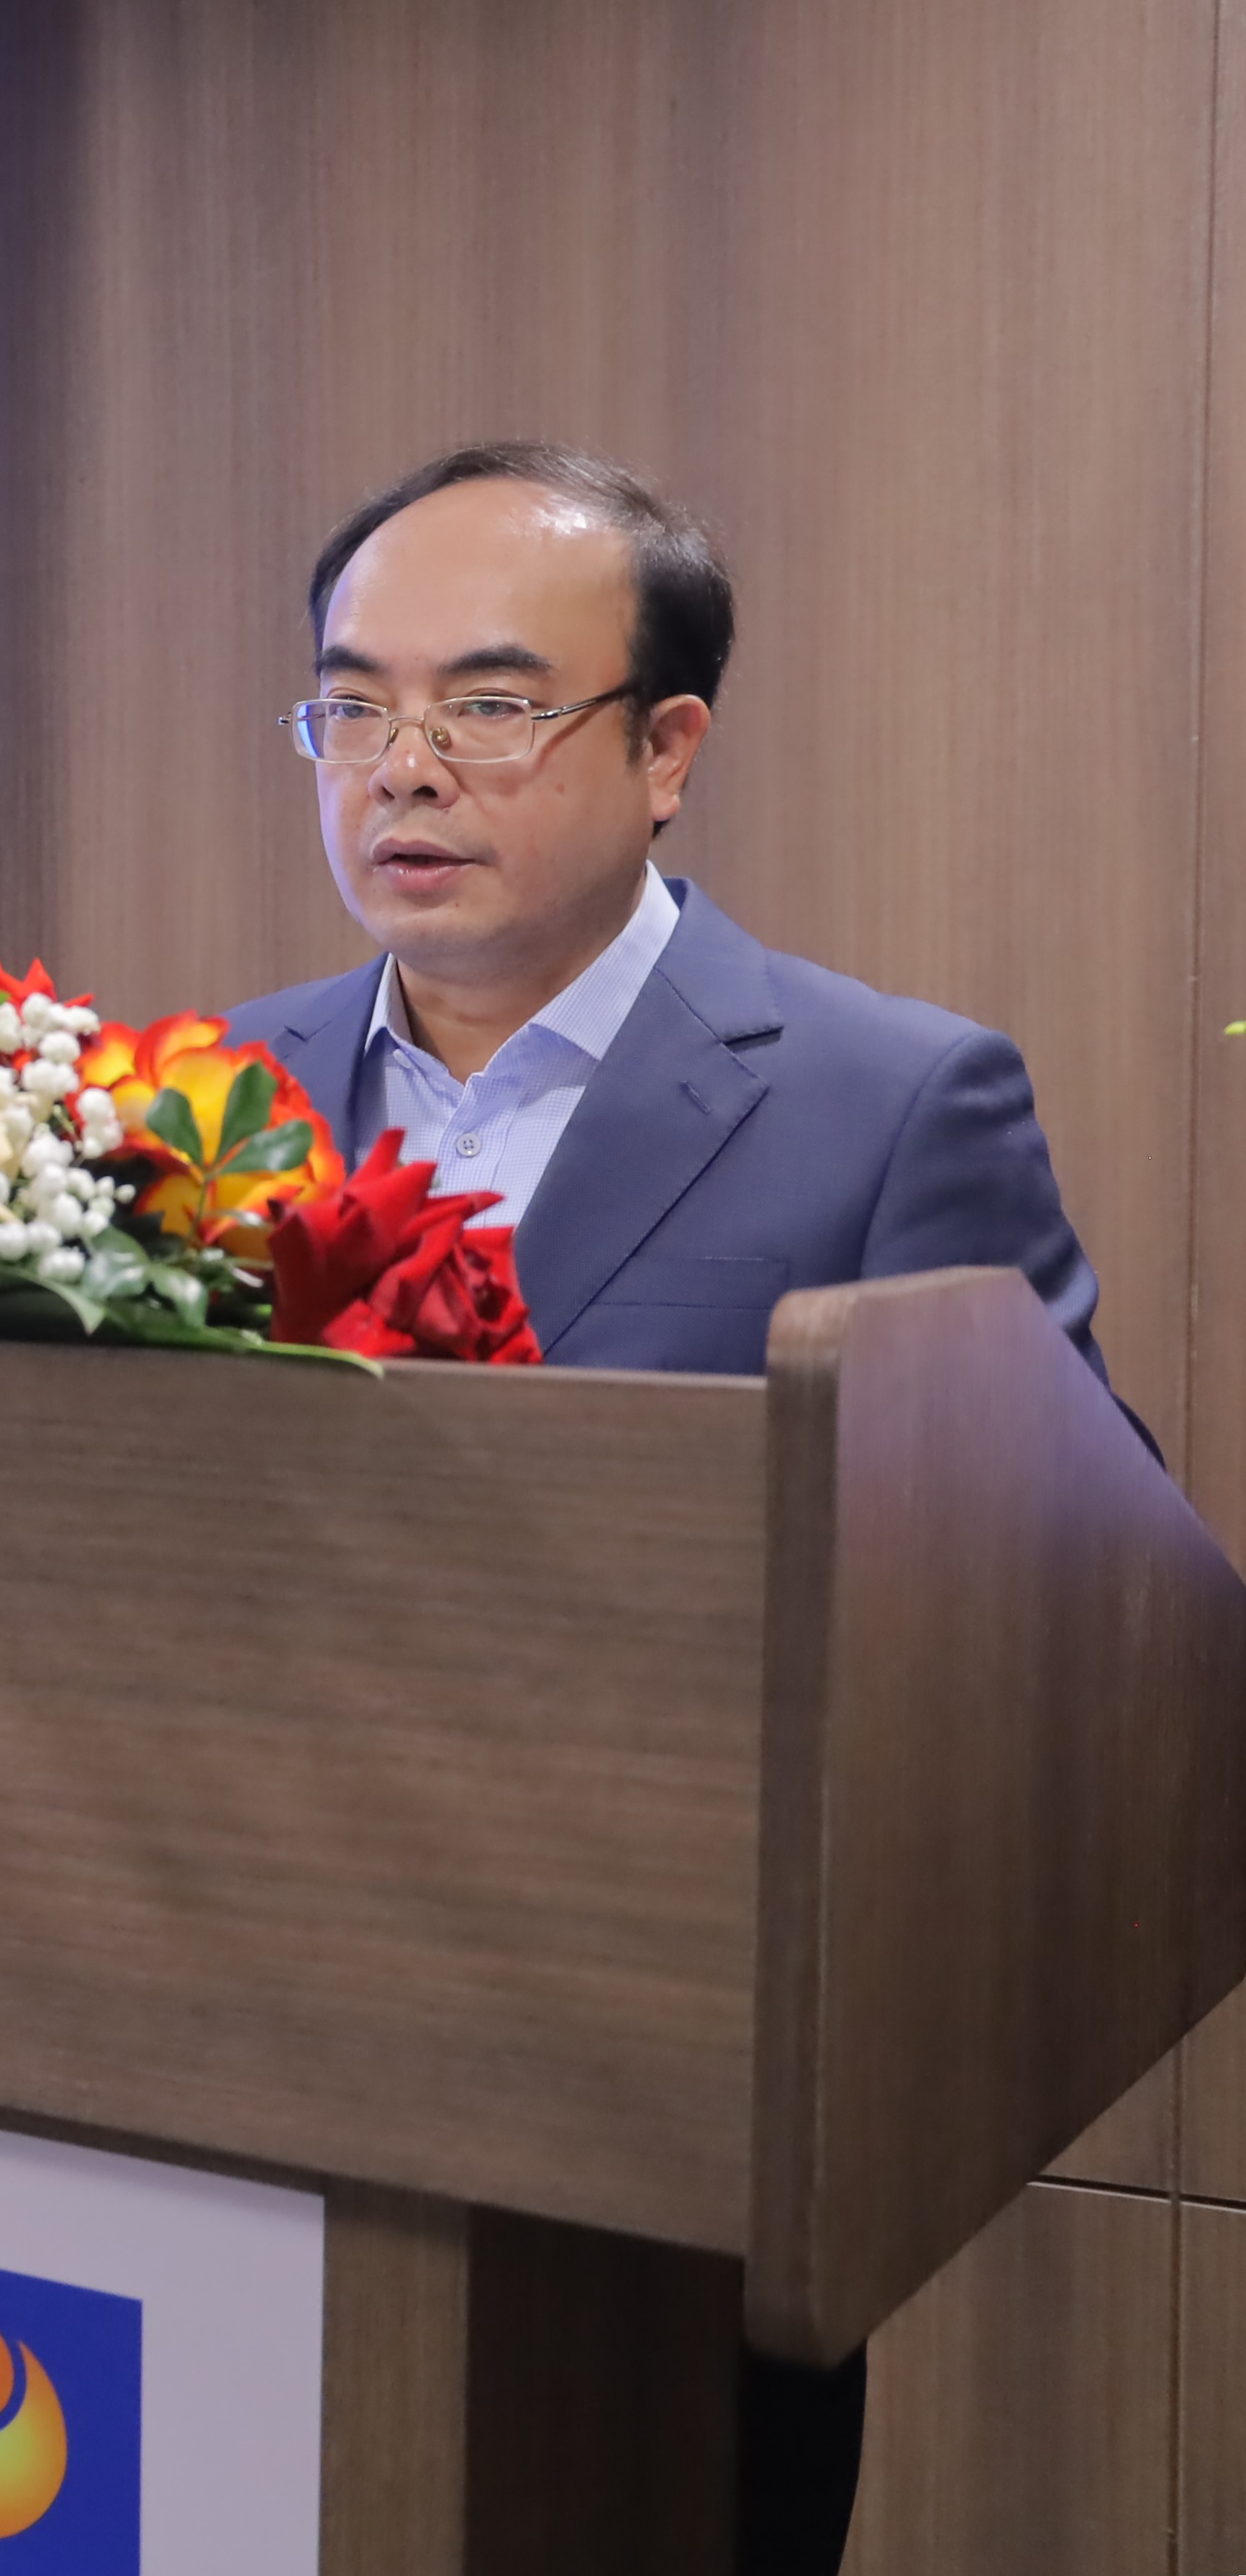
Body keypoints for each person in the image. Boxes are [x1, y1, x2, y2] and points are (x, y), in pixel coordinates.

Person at [224, 441, 1124, 2575]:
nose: (403, 767)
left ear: (665, 751)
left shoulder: (892, 1097)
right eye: (351, 708)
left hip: (664, 2078)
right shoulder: (210, 1088)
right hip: (254, 2025)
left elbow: (1065, 1581)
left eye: (488, 704)